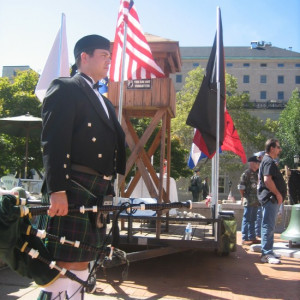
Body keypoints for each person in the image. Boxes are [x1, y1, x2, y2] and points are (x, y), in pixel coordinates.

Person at [40, 34, 126, 299]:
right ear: (84, 57)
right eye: (104, 55)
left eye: (110, 56)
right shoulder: (65, 87)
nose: (109, 60)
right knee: (64, 260)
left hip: (96, 187)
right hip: (73, 184)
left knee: (84, 259)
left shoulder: (104, 100)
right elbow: (54, 141)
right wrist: (57, 189)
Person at [257, 138, 287, 264]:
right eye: (278, 147)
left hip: (271, 199)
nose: (280, 150)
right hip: (271, 198)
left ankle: (269, 250)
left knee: (270, 226)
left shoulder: (268, 160)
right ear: (272, 148)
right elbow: (267, 180)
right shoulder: (268, 161)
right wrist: (278, 194)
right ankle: (266, 254)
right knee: (268, 226)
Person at [238, 156, 261, 245]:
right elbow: (241, 187)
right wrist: (243, 196)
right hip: (248, 199)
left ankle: (252, 236)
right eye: (256, 163)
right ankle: (245, 238)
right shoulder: (246, 174)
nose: (258, 164)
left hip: (256, 200)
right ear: (252, 163)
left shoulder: (258, 174)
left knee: (253, 219)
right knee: (247, 218)